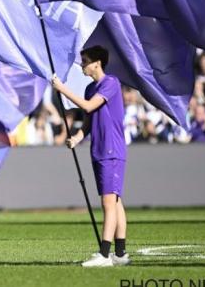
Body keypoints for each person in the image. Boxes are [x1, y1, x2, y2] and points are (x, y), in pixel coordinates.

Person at [51, 46, 129, 267]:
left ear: (97, 63)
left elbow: (88, 105)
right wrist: (77, 137)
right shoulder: (89, 88)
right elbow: (89, 118)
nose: (82, 65)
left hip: (111, 150)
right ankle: (120, 254)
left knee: (108, 202)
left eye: (85, 61)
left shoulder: (110, 83)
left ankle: (104, 254)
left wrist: (62, 89)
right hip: (99, 149)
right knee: (115, 201)